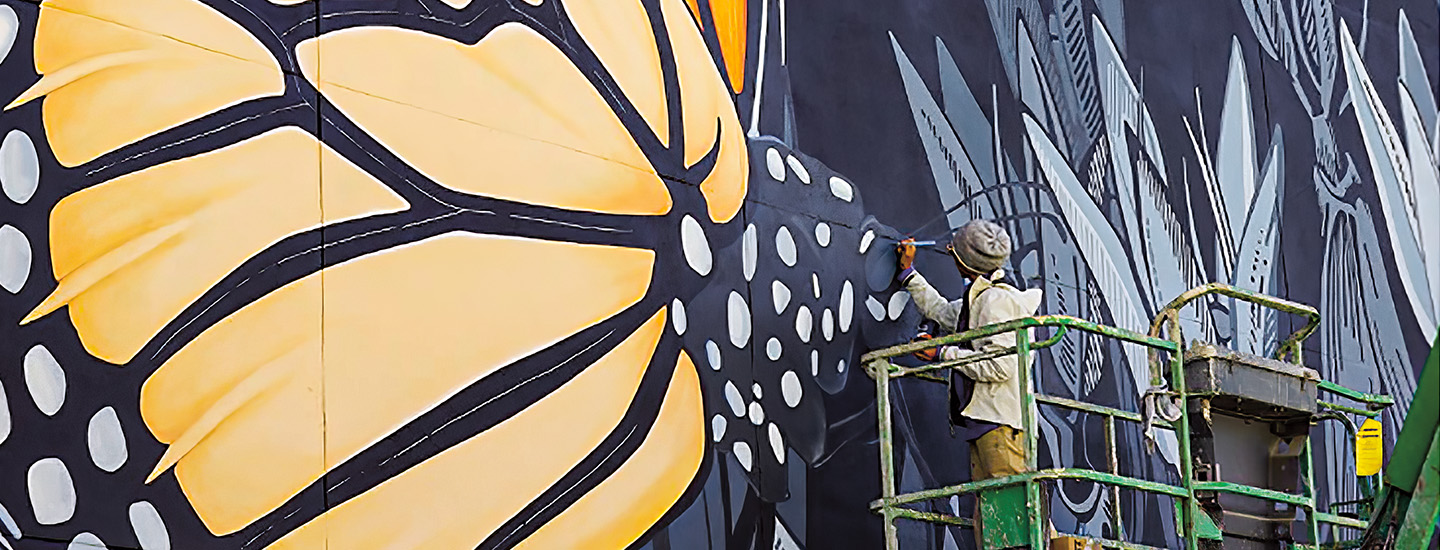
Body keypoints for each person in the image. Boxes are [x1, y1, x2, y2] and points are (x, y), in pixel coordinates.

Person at [896, 219, 1044, 542]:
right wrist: (909, 275)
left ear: (965, 262)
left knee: (1008, 519)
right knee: (992, 516)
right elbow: (943, 313)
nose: (950, 255)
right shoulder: (980, 301)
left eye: (955, 252)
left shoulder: (995, 303)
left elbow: (999, 366)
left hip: (1001, 428)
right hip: (989, 423)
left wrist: (942, 355)